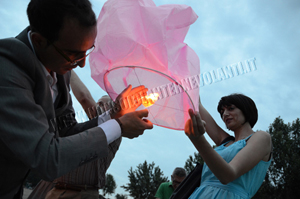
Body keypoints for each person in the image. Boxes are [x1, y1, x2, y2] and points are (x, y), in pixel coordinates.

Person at [0, 0, 153, 198]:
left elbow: (66, 131)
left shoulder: (59, 69)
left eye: (87, 51)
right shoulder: (7, 71)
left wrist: (113, 115)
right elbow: (47, 158)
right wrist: (119, 127)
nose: (81, 64)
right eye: (74, 54)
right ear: (39, 41)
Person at [29, 95, 121, 199]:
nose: (97, 106)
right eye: (98, 103)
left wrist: (66, 79)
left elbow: (84, 98)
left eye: (102, 103)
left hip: (81, 193)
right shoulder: (84, 129)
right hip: (55, 189)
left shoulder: (114, 129)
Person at [184, 94, 272, 199]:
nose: (225, 114)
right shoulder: (225, 142)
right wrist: (188, 88)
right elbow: (197, 105)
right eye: (222, 112)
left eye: (231, 108)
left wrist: (198, 140)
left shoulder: (262, 137)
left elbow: (228, 175)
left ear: (246, 110)